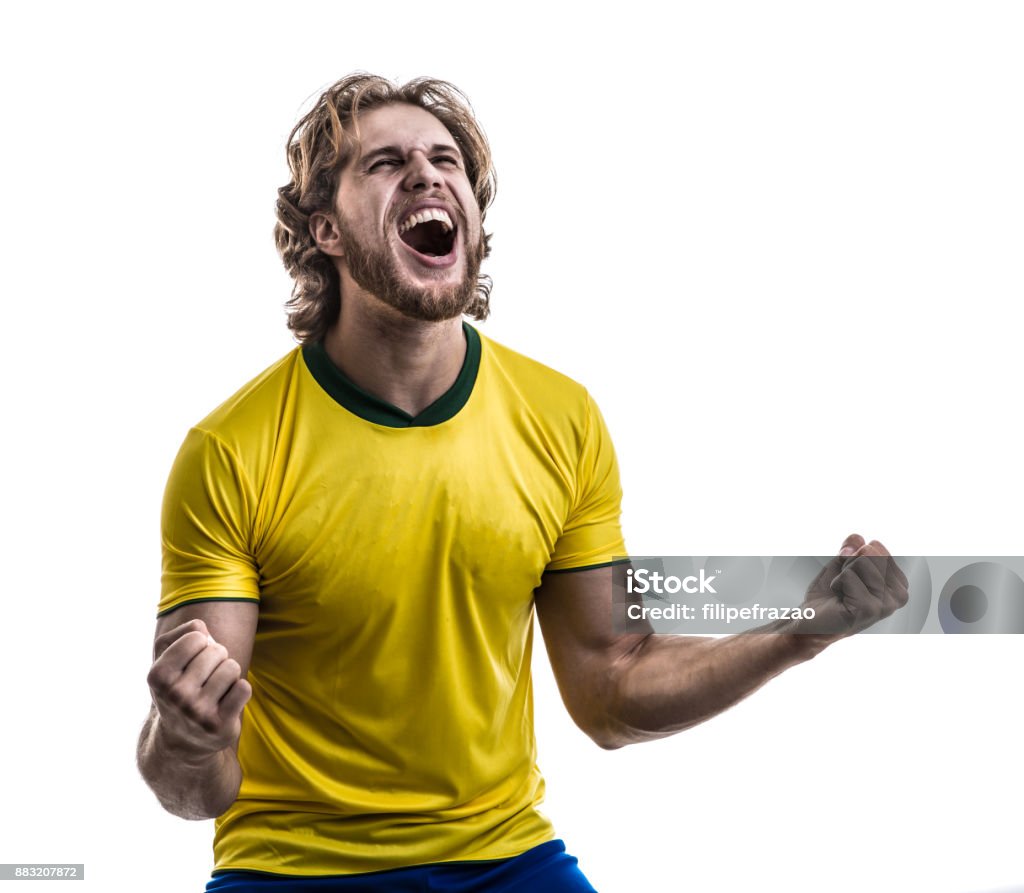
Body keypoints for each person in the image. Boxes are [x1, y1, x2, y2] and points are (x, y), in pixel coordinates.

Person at [137, 74, 908, 892]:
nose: (429, 175)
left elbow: (610, 687)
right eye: (386, 163)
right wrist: (186, 737)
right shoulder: (230, 450)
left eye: (445, 161)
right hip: (292, 868)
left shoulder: (559, 417)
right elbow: (195, 790)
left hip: (505, 859)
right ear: (324, 229)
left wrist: (798, 633)